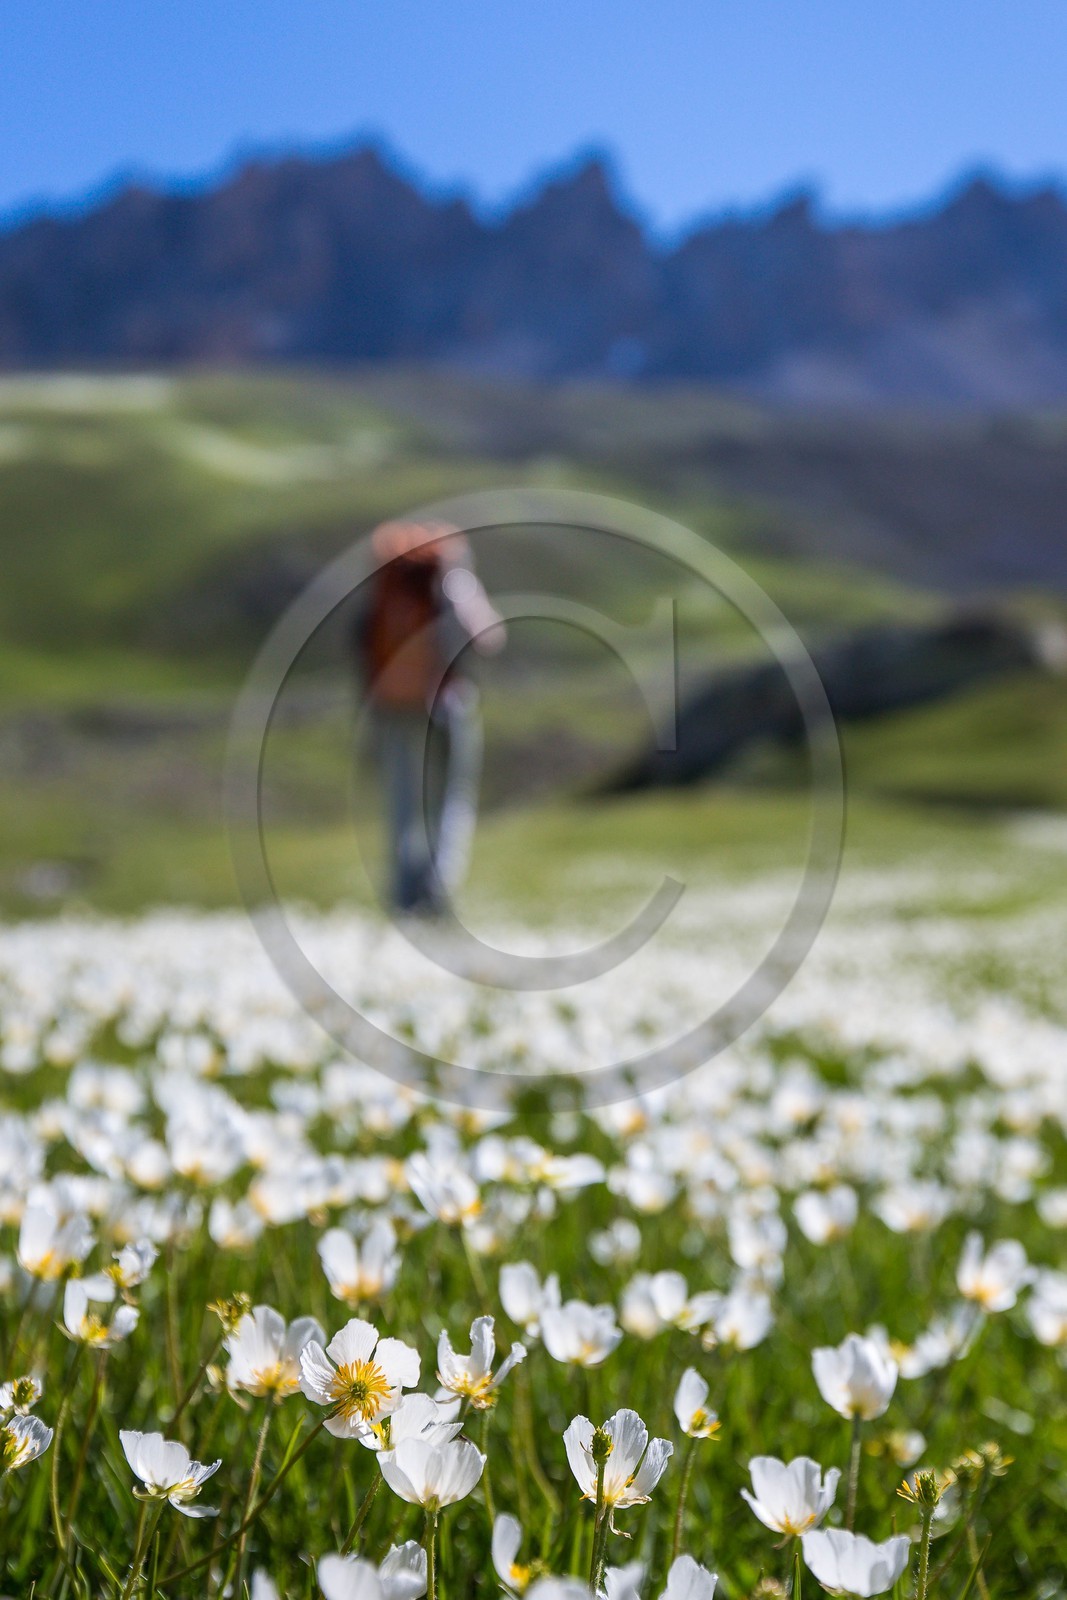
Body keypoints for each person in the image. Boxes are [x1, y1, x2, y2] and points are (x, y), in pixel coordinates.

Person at [353, 519, 504, 915]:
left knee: (402, 803)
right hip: (445, 704)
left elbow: (359, 641)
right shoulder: (449, 577)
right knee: (451, 798)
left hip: (391, 708)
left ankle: (403, 895)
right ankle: (435, 892)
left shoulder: (386, 586)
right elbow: (485, 637)